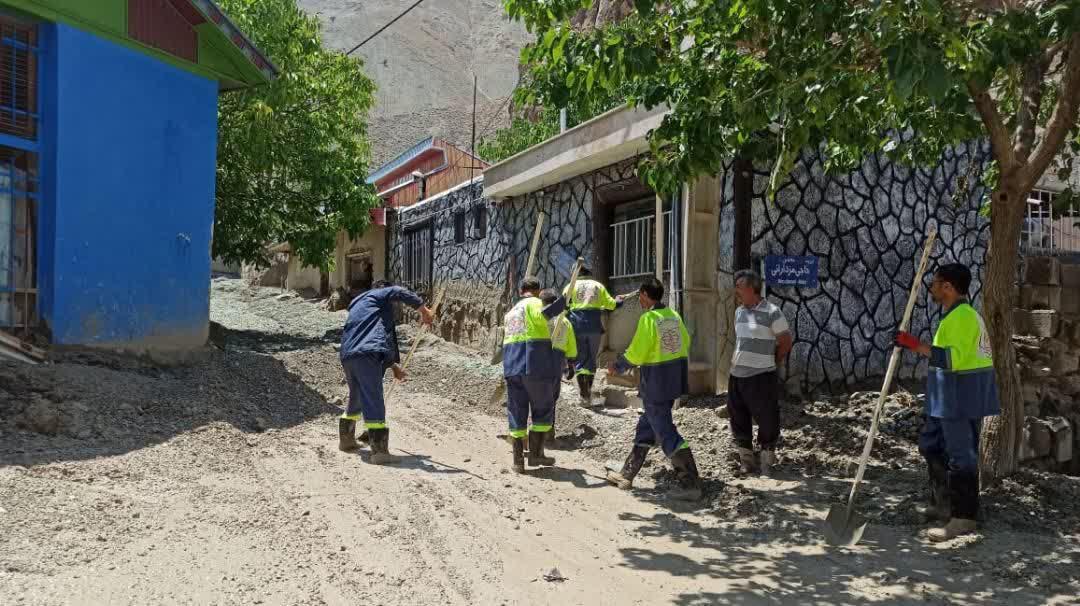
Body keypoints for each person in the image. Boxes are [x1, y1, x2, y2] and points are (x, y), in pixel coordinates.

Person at [895, 263, 998, 542]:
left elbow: (950, 359)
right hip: (946, 397)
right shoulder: (953, 317)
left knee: (961, 456)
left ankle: (963, 517)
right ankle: (943, 504)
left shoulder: (964, 317)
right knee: (931, 445)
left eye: (936, 283)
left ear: (948, 287)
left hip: (960, 398)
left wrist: (913, 344)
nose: (932, 287)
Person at [604, 278, 702, 501]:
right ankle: (627, 474)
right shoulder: (673, 316)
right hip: (673, 380)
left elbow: (637, 353)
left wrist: (617, 366)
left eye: (640, 295)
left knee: (666, 431)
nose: (639, 299)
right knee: (647, 426)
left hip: (656, 383)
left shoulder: (648, 319)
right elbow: (684, 343)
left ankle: (690, 482)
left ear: (646, 295)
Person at [338, 279, 435, 464]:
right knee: (373, 398)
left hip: (349, 355)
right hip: (367, 354)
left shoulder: (361, 305)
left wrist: (394, 367)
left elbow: (380, 338)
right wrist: (423, 310)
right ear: (384, 290)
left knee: (356, 395)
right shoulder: (379, 295)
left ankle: (346, 441)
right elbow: (398, 291)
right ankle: (380, 452)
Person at [728, 270, 792, 477]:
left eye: (739, 285)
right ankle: (747, 461)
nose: (736, 289)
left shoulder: (773, 312)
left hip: (761, 375)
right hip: (737, 375)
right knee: (738, 417)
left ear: (751, 288)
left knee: (767, 418)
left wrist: (773, 360)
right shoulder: (739, 312)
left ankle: (766, 461)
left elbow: (785, 342)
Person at [503, 276, 566, 473]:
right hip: (534, 363)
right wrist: (563, 304)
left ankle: (518, 461)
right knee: (542, 407)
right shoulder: (536, 305)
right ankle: (537, 454)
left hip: (512, 365)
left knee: (517, 409)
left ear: (521, 291)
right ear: (538, 291)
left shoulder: (510, 312)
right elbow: (547, 315)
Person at [563, 266, 618, 405]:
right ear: (589, 274)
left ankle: (584, 395)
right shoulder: (597, 285)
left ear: (576, 274)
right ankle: (588, 393)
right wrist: (618, 301)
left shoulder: (570, 286)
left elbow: (564, 307)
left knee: (581, 359)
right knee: (591, 359)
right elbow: (611, 305)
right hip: (594, 327)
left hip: (576, 326)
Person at [540, 288, 577, 407]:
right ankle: (550, 421)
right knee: (553, 393)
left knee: (539, 391)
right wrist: (570, 364)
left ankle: (539, 421)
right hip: (558, 360)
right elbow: (571, 345)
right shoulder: (565, 322)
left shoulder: (539, 318)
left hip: (540, 356)